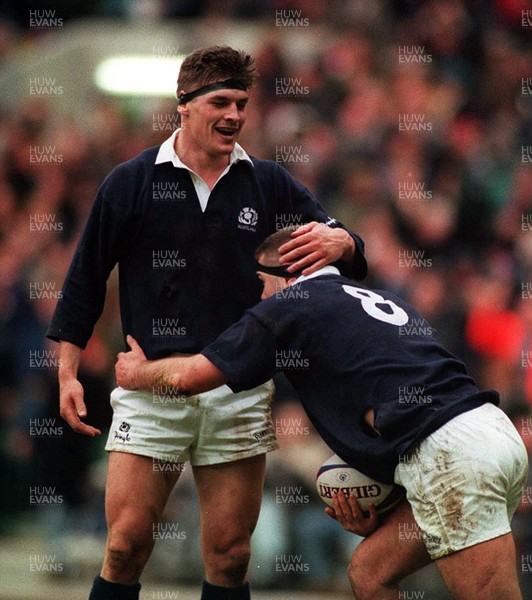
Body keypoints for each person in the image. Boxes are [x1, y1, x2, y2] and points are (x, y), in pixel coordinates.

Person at [46, 47, 367, 600]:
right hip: (149, 388)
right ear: (184, 106)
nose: (235, 115)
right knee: (125, 545)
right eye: (221, 101)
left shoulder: (267, 184)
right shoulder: (131, 182)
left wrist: (346, 240)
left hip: (235, 387)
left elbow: (339, 241)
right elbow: (84, 279)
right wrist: (67, 372)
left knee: (230, 554)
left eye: (242, 103)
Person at [115, 226, 529, 600]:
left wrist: (137, 373)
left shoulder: (291, 304)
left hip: (448, 455)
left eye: (262, 283)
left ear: (288, 273)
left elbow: (189, 377)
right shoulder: (379, 297)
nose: (259, 298)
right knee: (370, 574)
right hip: (489, 432)